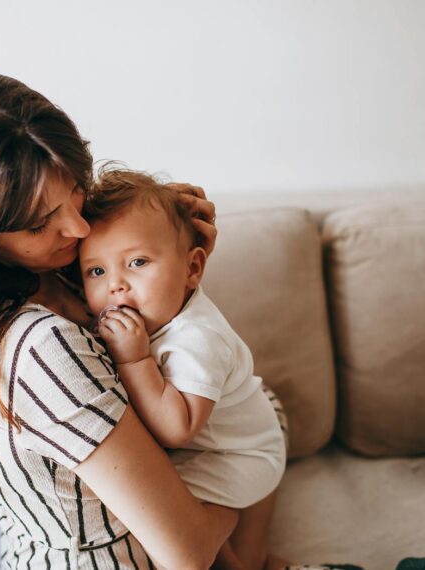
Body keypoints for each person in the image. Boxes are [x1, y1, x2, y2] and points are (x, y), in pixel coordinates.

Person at [0, 71, 289, 569]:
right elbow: (186, 553)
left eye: (75, 189)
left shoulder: (59, 269)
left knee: (252, 399)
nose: (78, 228)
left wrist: (175, 257)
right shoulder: (39, 346)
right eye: (40, 222)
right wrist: (244, 487)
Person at [77, 167, 289, 570]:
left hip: (242, 456)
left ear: (192, 269)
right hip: (224, 445)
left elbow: (177, 428)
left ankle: (227, 537)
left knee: (163, 509)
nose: (116, 285)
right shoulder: (148, 310)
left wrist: (133, 359)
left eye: (137, 262)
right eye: (96, 271)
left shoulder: (197, 340)